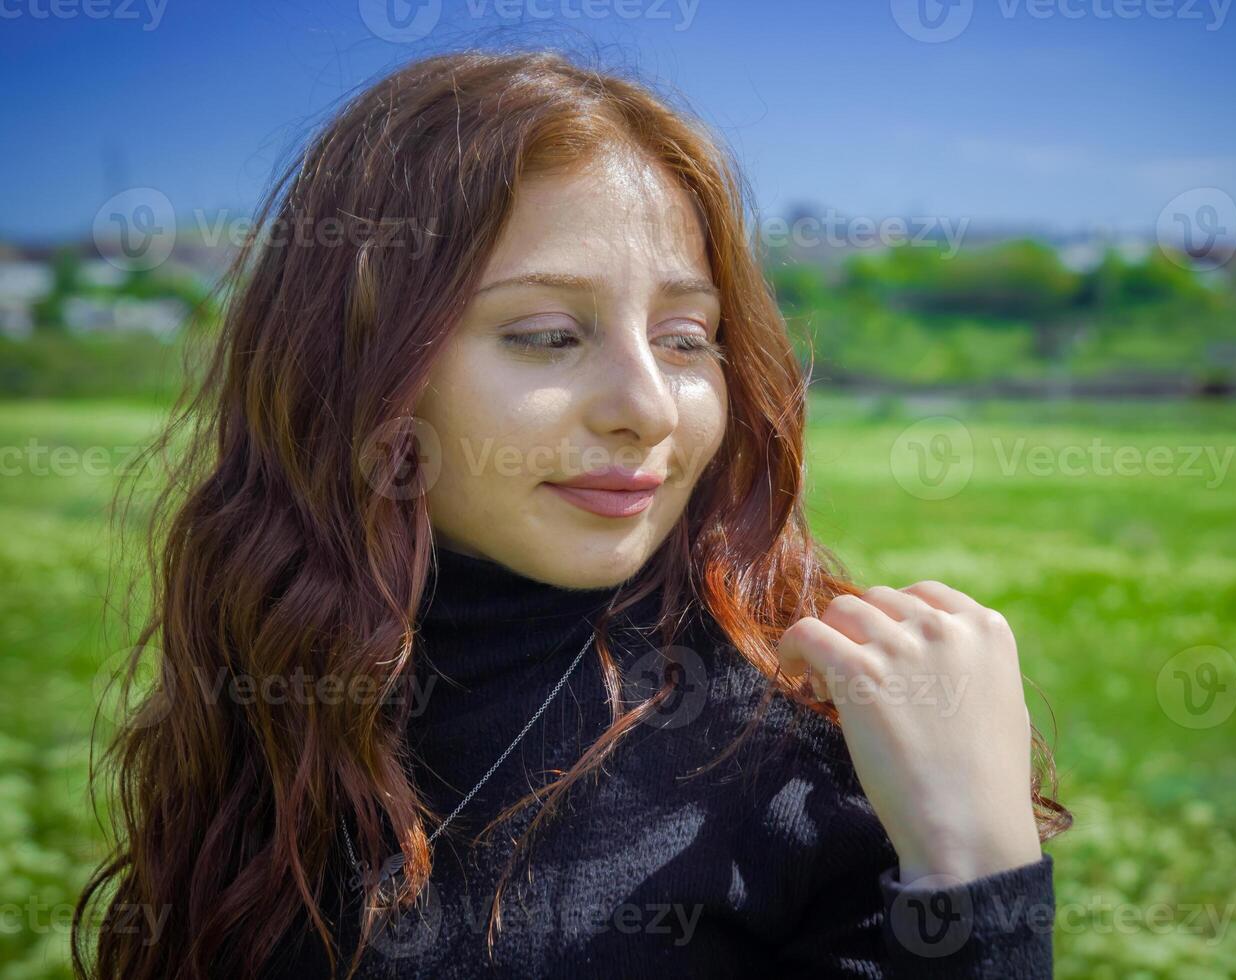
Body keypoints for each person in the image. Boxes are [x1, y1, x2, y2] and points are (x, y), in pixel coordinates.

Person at [76, 48, 1070, 980]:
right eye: (549, 335)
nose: (643, 406)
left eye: (687, 340)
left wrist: (977, 867)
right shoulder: (274, 693)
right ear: (354, 370)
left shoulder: (817, 750)